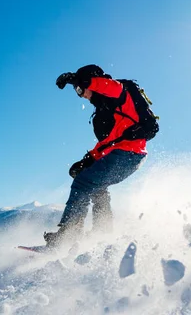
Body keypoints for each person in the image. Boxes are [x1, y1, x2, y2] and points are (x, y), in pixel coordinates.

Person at [44, 64, 151, 250]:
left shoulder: (117, 90)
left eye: (80, 90)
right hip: (129, 155)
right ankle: (103, 231)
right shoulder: (108, 109)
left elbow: (105, 85)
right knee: (96, 186)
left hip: (127, 154)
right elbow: (111, 141)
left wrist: (75, 78)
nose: (81, 95)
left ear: (91, 82)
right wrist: (88, 160)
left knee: (83, 183)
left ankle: (68, 234)